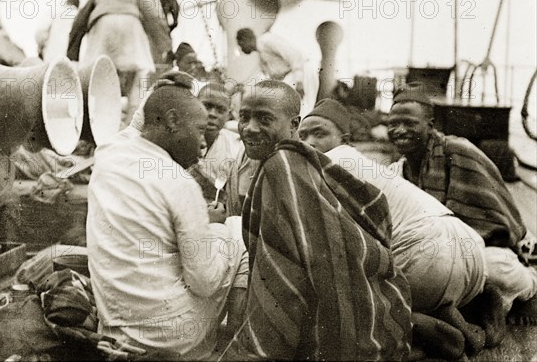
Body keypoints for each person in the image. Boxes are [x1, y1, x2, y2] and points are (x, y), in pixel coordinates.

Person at [300, 99, 508, 356]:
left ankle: (417, 329)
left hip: (425, 259)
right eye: (303, 135)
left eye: (319, 133)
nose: (309, 142)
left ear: (344, 139)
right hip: (470, 252)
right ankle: (466, 305)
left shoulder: (329, 162)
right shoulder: (370, 166)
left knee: (328, 313)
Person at [225, 80, 412, 360]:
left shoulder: (283, 165)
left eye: (264, 118)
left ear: (293, 125)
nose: (249, 128)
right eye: (244, 117)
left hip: (344, 312)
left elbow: (282, 266)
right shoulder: (297, 160)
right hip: (370, 303)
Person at [86, 84, 248, 359]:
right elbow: (205, 283)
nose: (202, 142)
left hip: (114, 331)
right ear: (172, 121)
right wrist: (214, 231)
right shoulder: (180, 183)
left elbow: (139, 122)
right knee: (236, 229)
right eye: (198, 129)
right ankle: (233, 349)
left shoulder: (109, 153)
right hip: (170, 337)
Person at [387, 84, 537, 324]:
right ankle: (473, 302)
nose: (400, 130)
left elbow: (497, 221)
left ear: (430, 125)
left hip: (480, 248)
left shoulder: (459, 152)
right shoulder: (396, 171)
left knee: (497, 270)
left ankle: (529, 290)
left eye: (409, 122)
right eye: (392, 123)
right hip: (437, 254)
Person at [236, 28, 318, 116]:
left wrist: (299, 81)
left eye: (241, 45)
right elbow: (260, 75)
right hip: (290, 79)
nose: (241, 49)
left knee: (303, 109)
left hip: (301, 74)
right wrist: (244, 86)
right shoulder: (261, 53)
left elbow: (296, 56)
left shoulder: (267, 40)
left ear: (245, 39)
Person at [196, 82, 244, 186]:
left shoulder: (236, 147)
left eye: (220, 110)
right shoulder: (180, 141)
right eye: (207, 106)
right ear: (194, 105)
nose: (212, 114)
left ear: (228, 114)